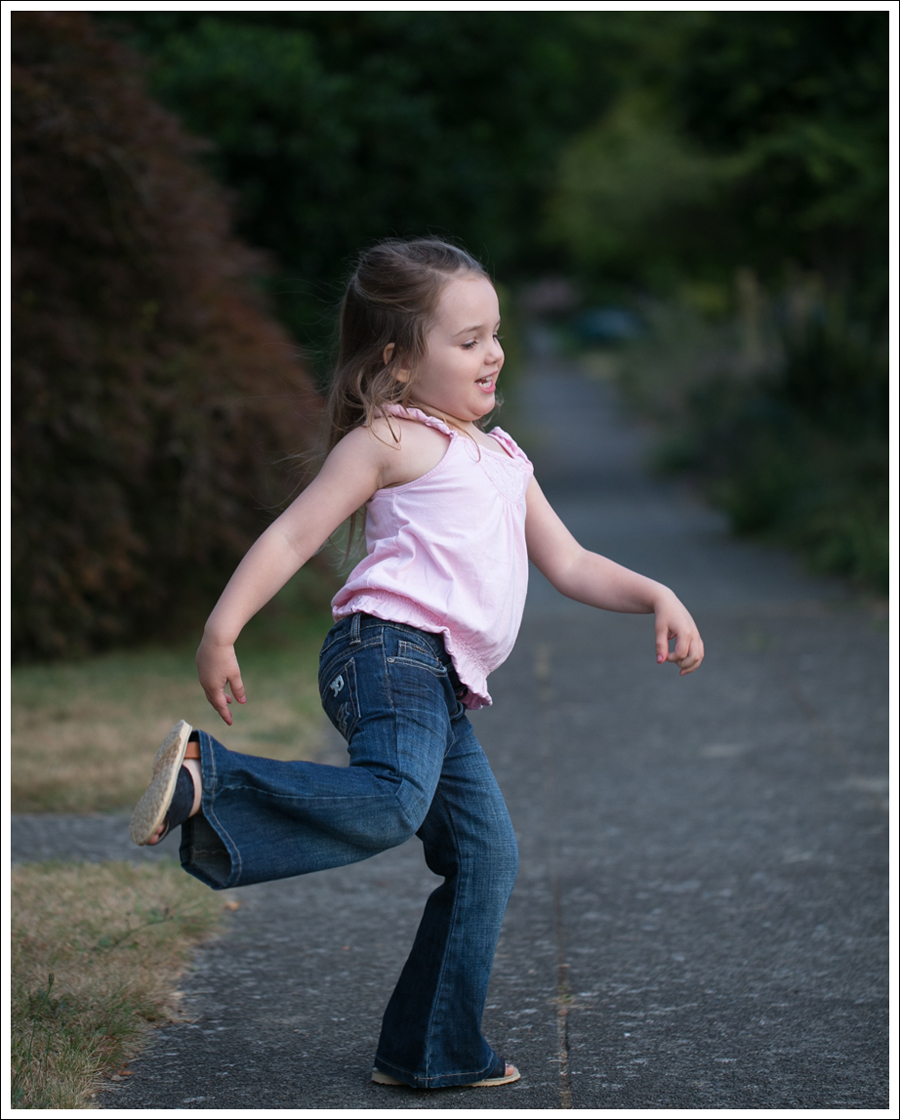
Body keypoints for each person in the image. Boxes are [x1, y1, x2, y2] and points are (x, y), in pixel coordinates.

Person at [130, 238, 704, 1091]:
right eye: (467, 340)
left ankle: (430, 1050)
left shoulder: (505, 459)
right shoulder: (391, 438)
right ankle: (210, 780)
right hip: (385, 652)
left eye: (495, 334)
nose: (493, 353)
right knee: (395, 801)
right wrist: (222, 629)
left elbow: (573, 562)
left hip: (441, 682)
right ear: (398, 362)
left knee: (486, 857)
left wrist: (657, 593)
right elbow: (293, 534)